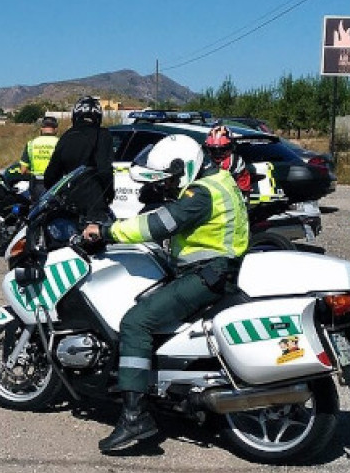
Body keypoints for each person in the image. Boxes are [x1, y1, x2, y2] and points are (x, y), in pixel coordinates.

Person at [82, 134, 249, 452]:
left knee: (136, 322)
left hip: (206, 275)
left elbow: (160, 224)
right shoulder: (220, 180)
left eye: (169, 180)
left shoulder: (202, 193)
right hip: (215, 270)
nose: (166, 187)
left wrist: (106, 231)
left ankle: (134, 418)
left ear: (184, 168)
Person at [43, 96, 114, 224]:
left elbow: (51, 175)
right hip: (94, 204)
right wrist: (109, 194)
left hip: (69, 205)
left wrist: (59, 196)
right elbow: (105, 171)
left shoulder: (66, 136)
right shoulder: (103, 135)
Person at [19, 116, 59, 200]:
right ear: (56, 129)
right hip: (56, 184)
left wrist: (33, 173)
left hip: (37, 185)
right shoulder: (60, 143)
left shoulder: (31, 144)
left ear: (41, 129)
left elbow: (23, 170)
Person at [205, 124, 252, 194]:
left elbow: (244, 186)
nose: (218, 154)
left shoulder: (235, 162)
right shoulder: (203, 161)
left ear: (231, 148)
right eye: (213, 150)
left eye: (222, 150)